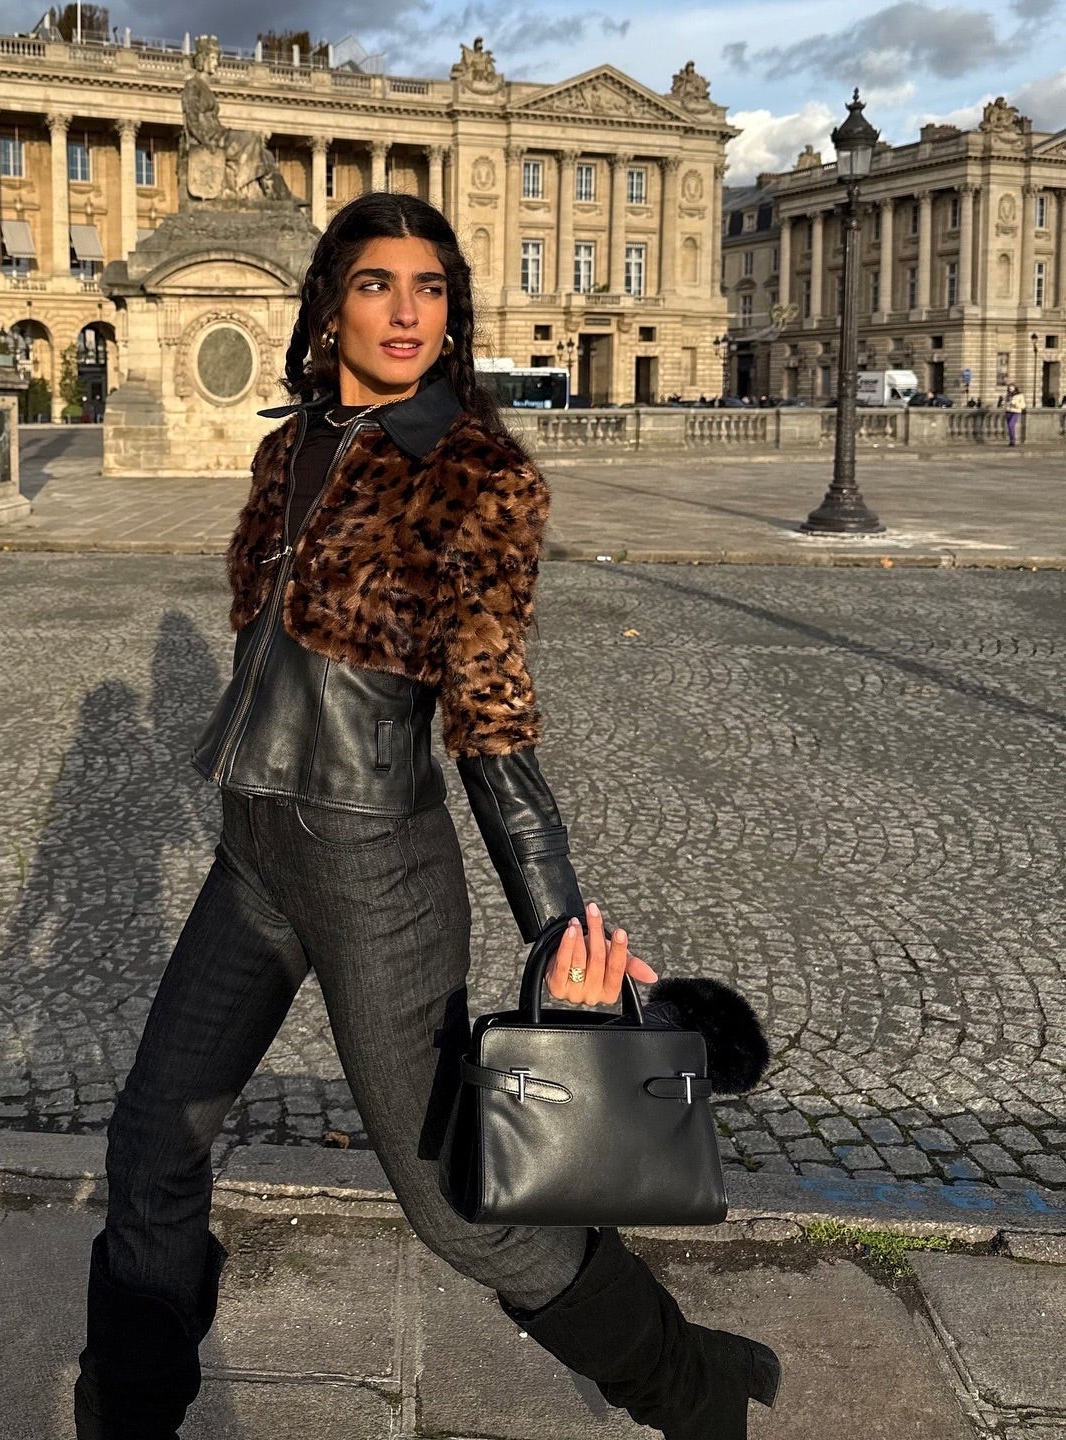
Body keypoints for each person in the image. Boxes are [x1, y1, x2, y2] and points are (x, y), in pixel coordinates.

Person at [73, 193, 781, 1440]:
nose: (408, 311)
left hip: (374, 869)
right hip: (254, 853)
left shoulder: (475, 475)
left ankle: (696, 1388)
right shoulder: (290, 448)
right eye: (377, 283)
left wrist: (560, 924)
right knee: (152, 1140)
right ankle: (128, 1416)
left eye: (432, 287)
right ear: (328, 304)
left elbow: (492, 713)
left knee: (461, 1205)